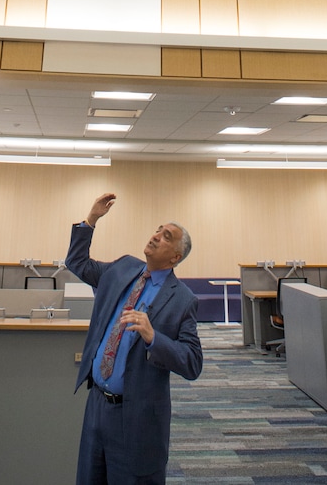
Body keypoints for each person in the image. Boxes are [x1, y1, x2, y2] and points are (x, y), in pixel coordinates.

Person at [65, 192, 203, 485]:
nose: (155, 237)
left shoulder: (182, 300)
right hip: (97, 406)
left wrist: (154, 338)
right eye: (157, 230)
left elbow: (192, 363)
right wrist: (91, 220)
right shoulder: (123, 268)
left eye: (166, 236)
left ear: (176, 257)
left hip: (137, 419)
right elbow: (77, 263)